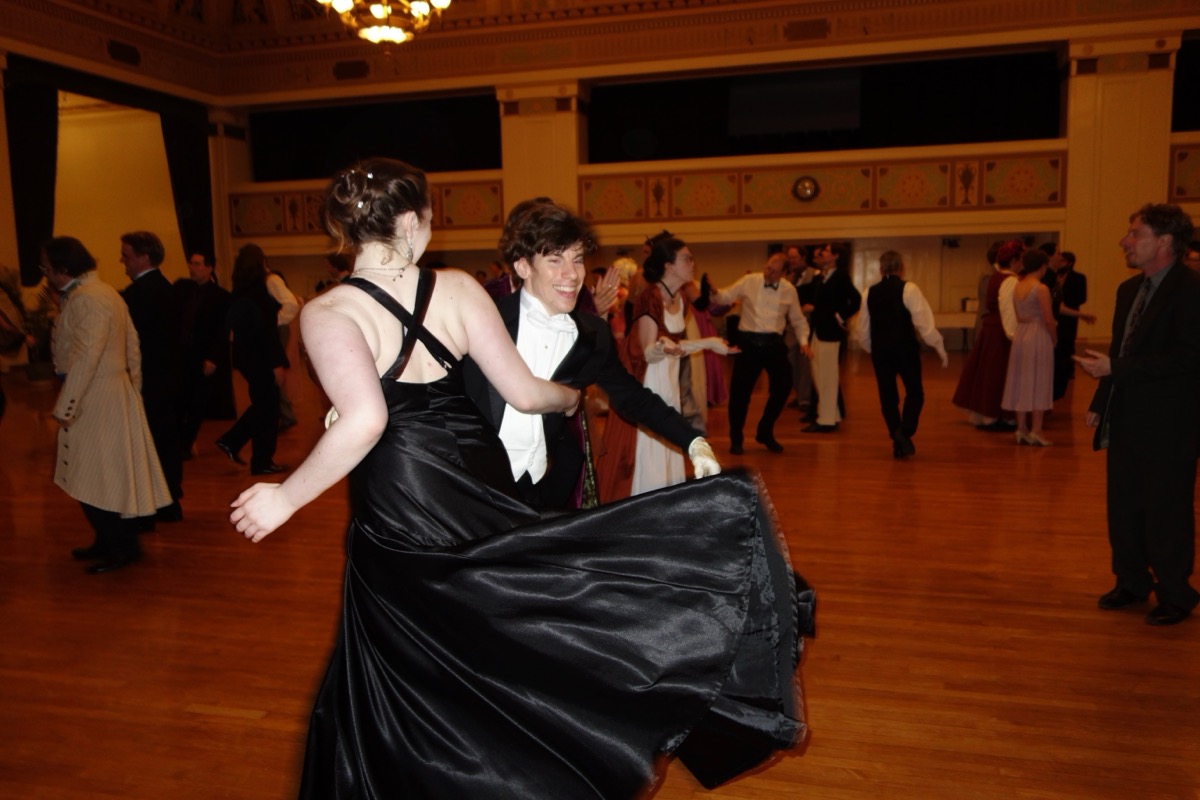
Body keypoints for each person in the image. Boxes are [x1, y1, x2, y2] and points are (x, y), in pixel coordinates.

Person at [228, 157, 809, 798]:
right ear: (414, 221)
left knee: (406, 647)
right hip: (477, 472)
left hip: (402, 492)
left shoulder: (328, 310)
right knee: (505, 610)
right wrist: (567, 400)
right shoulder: (456, 288)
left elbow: (365, 417)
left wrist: (286, 495)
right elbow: (521, 394)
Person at [465, 200, 716, 511]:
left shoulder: (591, 335)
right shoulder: (482, 320)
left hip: (544, 489)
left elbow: (631, 397)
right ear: (523, 266)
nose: (572, 274)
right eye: (556, 260)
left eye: (578, 259)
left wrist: (693, 441)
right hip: (473, 487)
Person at [1076, 203, 1200, 627]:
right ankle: (1130, 582)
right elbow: (1120, 351)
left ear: (1164, 241)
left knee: (1167, 509)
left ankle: (1175, 593)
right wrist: (1101, 400)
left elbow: (1189, 357)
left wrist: (1118, 370)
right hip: (1126, 415)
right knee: (1124, 505)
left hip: (1171, 422)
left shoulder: (1191, 289)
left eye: (1135, 234)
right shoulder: (1128, 291)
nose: (1124, 242)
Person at [44, 237, 171, 573]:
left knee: (101, 474)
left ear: (62, 268)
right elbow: (132, 346)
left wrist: (66, 406)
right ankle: (108, 540)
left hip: (96, 395)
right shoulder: (101, 294)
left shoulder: (90, 298)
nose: (43, 272)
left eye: (46, 266)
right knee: (103, 474)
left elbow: (88, 355)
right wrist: (134, 391)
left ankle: (121, 546)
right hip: (109, 392)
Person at [596, 234, 735, 501]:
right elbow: (649, 351)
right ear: (668, 266)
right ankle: (646, 501)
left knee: (670, 431)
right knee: (651, 439)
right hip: (649, 377)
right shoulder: (651, 296)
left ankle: (667, 500)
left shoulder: (680, 298)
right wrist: (666, 346)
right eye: (686, 258)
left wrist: (709, 343)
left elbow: (675, 345)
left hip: (668, 375)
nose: (692, 263)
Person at [706, 251, 811, 452]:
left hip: (774, 344)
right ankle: (736, 438)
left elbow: (798, 320)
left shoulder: (789, 290)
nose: (767, 273)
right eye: (767, 267)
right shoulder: (749, 280)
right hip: (748, 343)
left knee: (783, 387)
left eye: (773, 271)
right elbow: (725, 296)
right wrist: (713, 291)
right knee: (739, 393)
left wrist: (804, 341)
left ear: (784, 273)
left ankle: (765, 430)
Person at [855, 250, 948, 459]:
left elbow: (862, 329)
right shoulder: (909, 288)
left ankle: (898, 435)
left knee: (888, 397)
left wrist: (872, 348)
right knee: (915, 393)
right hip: (905, 349)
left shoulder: (869, 292)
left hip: (880, 351)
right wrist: (939, 347)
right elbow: (923, 322)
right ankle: (904, 433)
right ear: (901, 268)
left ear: (880, 269)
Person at [119, 230, 184, 522]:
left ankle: (151, 506)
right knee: (166, 440)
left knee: (149, 443)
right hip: (170, 379)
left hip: (148, 380)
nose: (122, 260)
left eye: (127, 255)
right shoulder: (168, 289)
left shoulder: (136, 296)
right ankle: (169, 501)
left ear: (144, 257)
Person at [215, 244, 289, 476]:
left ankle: (233, 442)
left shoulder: (239, 290)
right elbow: (266, 331)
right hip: (261, 358)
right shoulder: (260, 290)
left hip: (246, 357)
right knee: (268, 409)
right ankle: (260, 460)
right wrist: (277, 363)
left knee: (263, 406)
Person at [952, 239, 1024, 430]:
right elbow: (1007, 310)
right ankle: (996, 415)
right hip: (1000, 332)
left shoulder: (995, 277)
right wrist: (1013, 335)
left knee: (990, 374)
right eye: (1020, 259)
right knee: (997, 375)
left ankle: (992, 415)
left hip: (993, 330)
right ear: (1014, 260)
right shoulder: (1009, 280)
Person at [174, 251, 235, 459]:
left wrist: (213, 358)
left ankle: (186, 444)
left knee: (197, 402)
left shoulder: (221, 297)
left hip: (203, 356)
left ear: (209, 268)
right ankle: (179, 442)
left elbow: (222, 330)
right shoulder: (181, 289)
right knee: (179, 400)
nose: (193, 267)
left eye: (198, 264)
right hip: (181, 355)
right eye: (191, 263)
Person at [1000, 249, 1057, 446]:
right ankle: (1036, 430)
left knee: (1020, 379)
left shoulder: (1018, 286)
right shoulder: (1041, 288)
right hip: (1038, 333)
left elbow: (1016, 316)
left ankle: (1021, 428)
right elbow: (1048, 319)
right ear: (1042, 266)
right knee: (1040, 380)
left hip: (1021, 334)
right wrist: (1054, 337)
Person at [804, 242, 861, 433]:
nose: (822, 253)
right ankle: (831, 415)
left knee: (827, 376)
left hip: (829, 332)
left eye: (827, 251)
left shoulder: (841, 276)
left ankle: (826, 420)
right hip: (818, 330)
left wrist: (839, 316)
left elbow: (856, 299)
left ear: (836, 256)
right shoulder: (824, 276)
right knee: (818, 373)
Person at [1049, 250, 1095, 400]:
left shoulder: (1078, 277)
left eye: (1063, 261)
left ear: (1069, 263)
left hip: (1069, 317)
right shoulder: (1053, 277)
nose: (1060, 263)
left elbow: (1082, 297)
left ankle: (1068, 371)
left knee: (1068, 342)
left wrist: (1066, 303)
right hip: (1056, 315)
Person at [265, 267, 301, 431]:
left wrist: (274, 321)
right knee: (277, 372)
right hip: (280, 329)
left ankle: (286, 415)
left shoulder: (271, 280)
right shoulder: (271, 281)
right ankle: (284, 414)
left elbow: (291, 305)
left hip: (279, 330)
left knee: (276, 372)